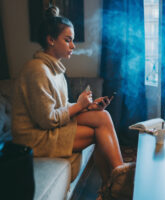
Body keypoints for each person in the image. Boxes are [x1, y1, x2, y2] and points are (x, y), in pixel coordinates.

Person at [12, 5, 134, 200]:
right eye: (67, 40)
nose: (73, 45)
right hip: (34, 138)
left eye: (72, 40)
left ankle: (113, 185)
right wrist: (78, 105)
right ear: (50, 40)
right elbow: (47, 119)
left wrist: (87, 107)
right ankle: (116, 184)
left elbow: (57, 108)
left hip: (45, 130)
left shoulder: (55, 70)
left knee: (101, 115)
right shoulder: (36, 70)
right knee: (98, 130)